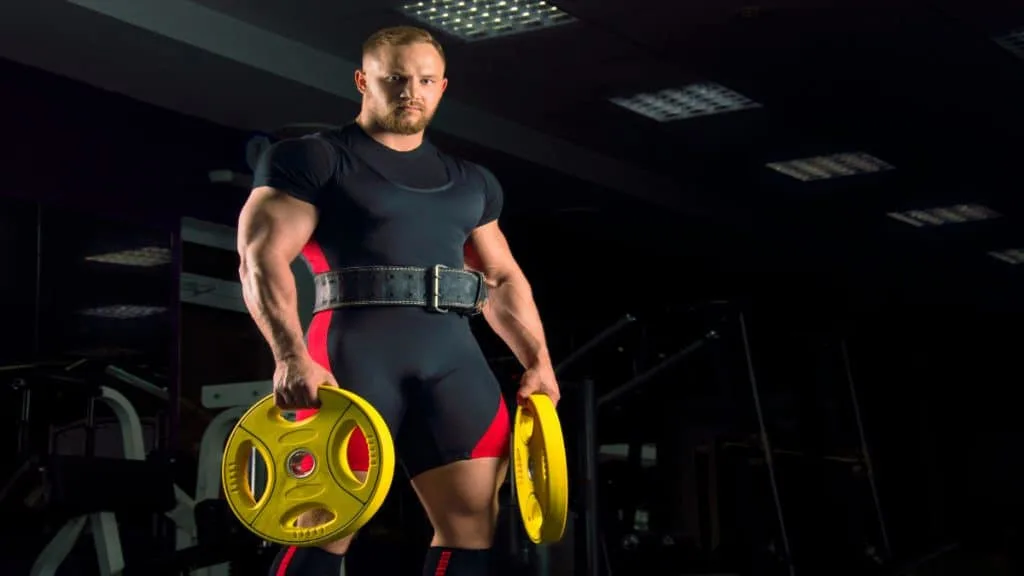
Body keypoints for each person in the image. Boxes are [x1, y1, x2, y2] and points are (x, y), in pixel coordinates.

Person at [236, 25, 560, 576]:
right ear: (364, 81)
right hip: (355, 354)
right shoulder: (313, 160)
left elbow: (503, 279)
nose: (411, 90)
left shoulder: (472, 182)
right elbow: (259, 259)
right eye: (395, 79)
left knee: (472, 523)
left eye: (425, 80)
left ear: (442, 88)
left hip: (453, 358)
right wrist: (290, 355)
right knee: (326, 518)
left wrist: (540, 363)